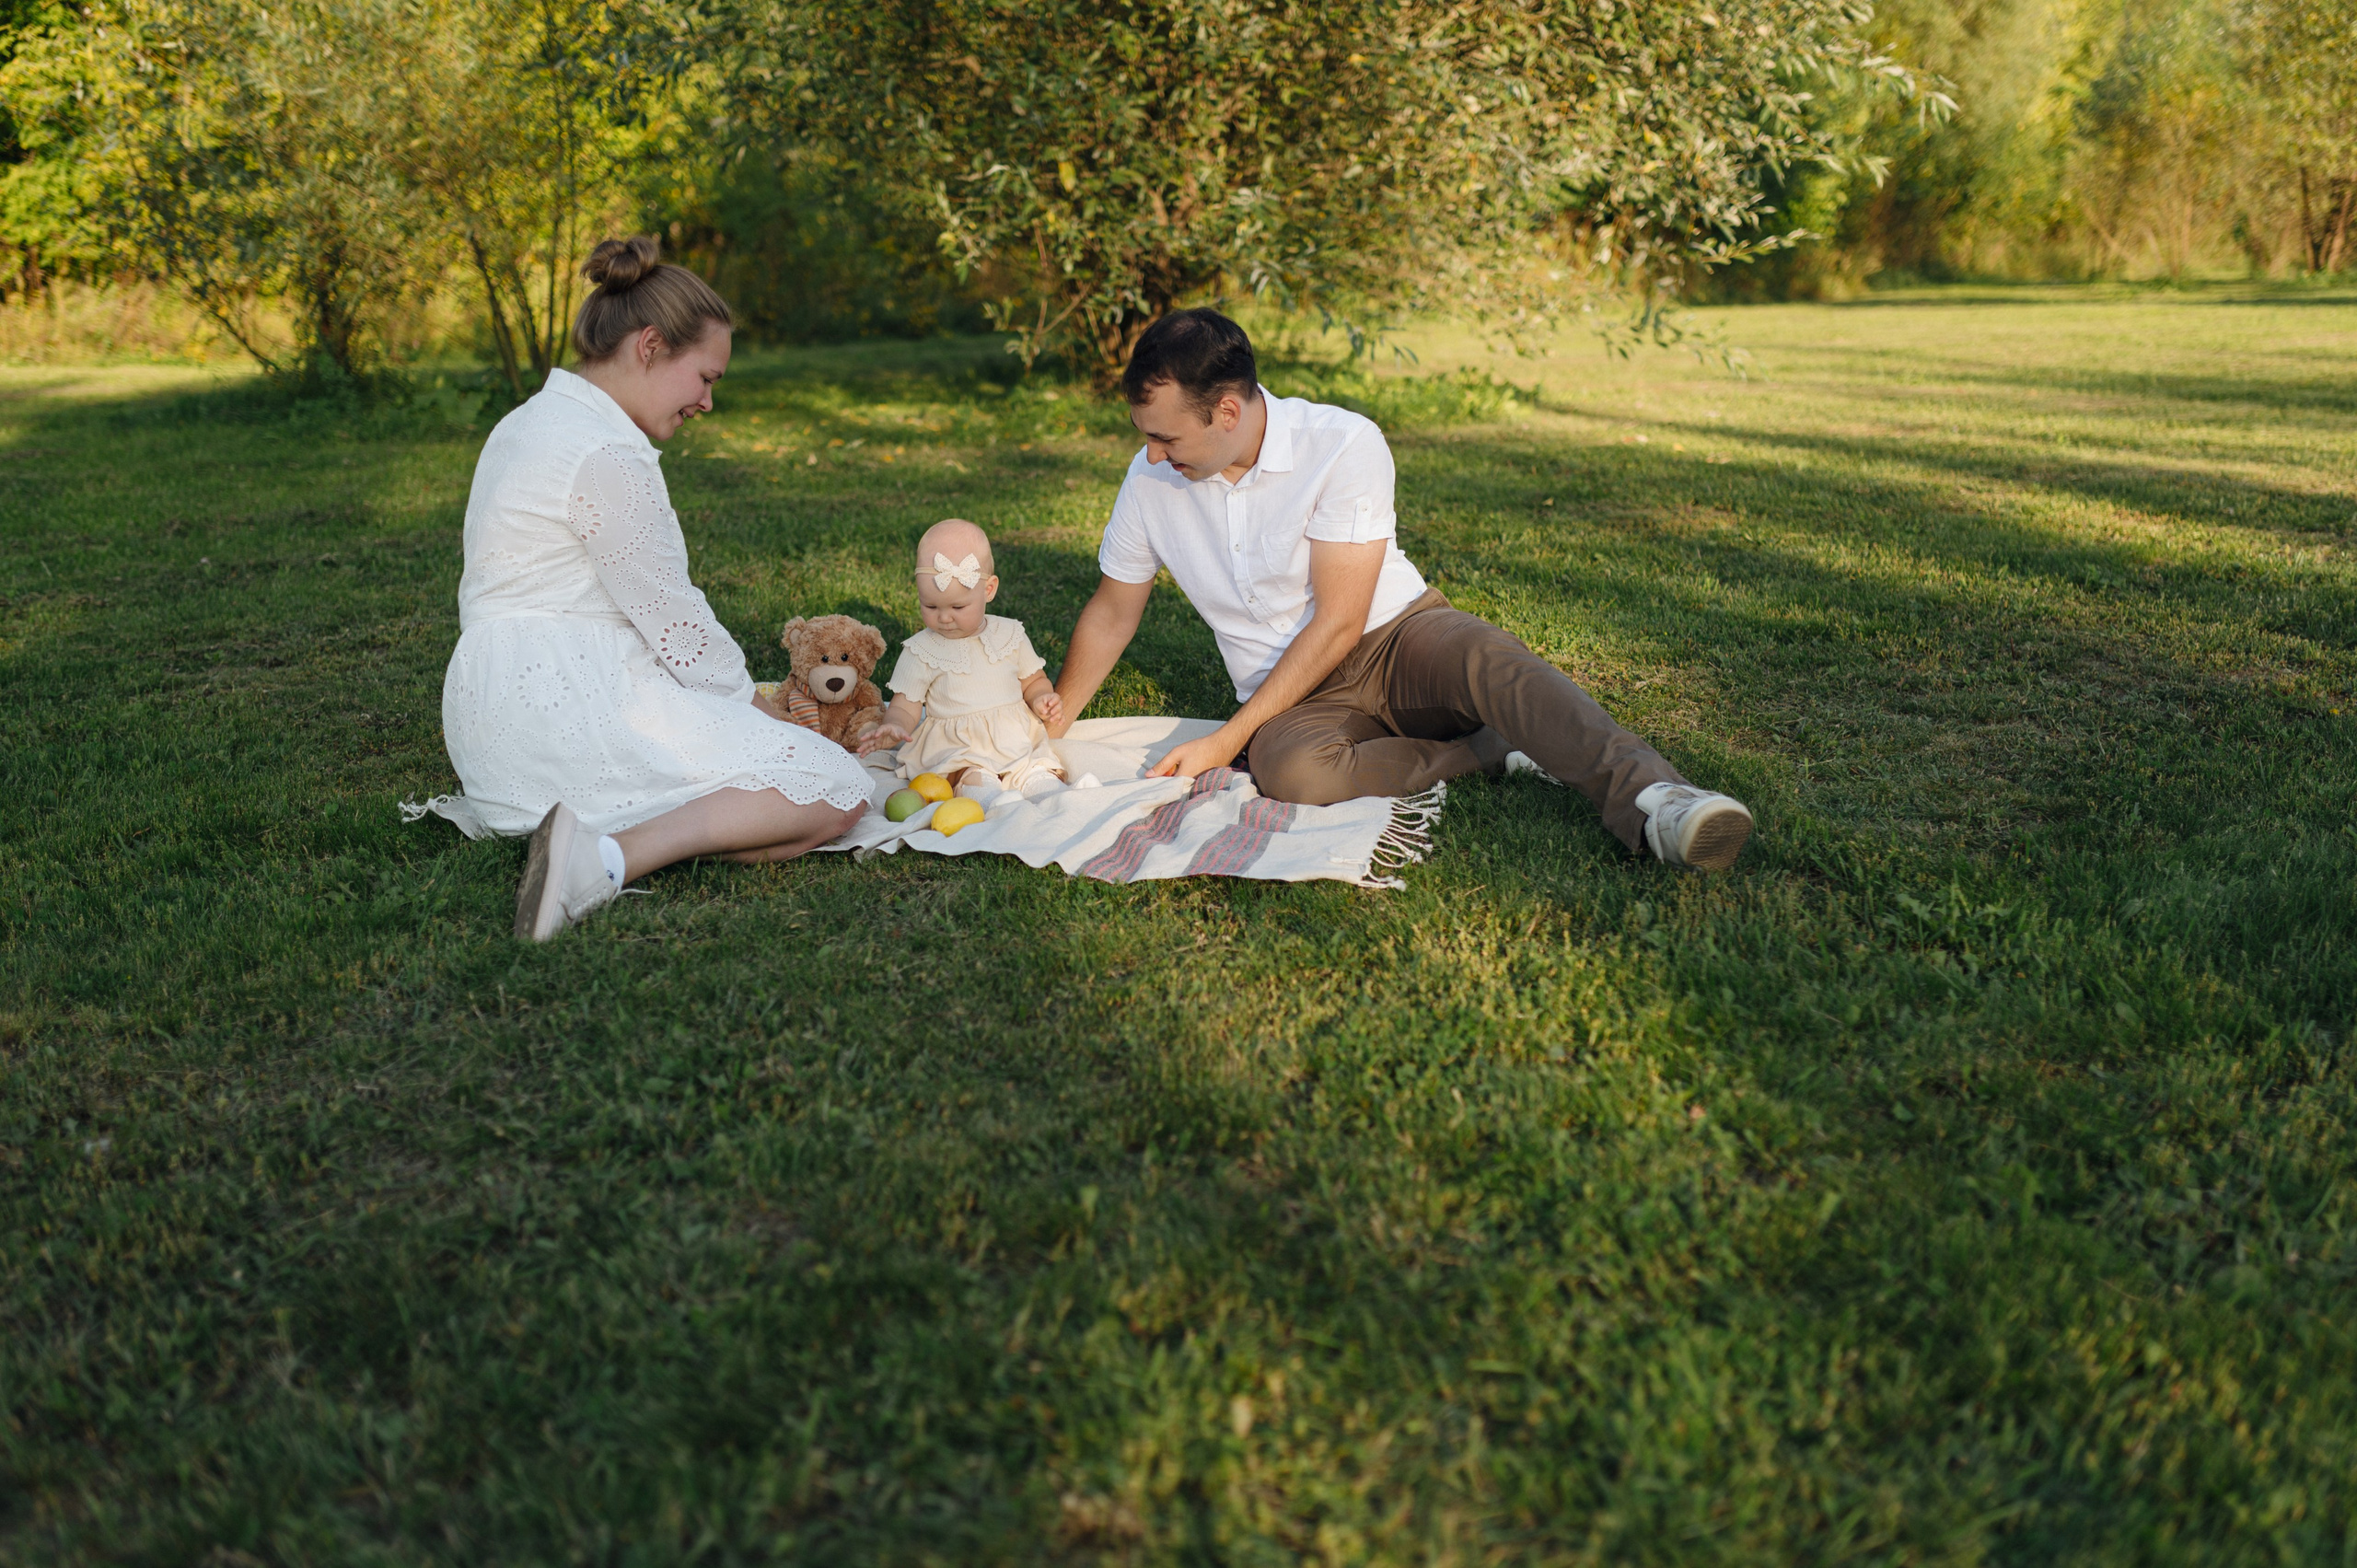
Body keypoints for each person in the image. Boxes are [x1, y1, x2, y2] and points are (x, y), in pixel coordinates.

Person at [1048, 308, 1754, 870]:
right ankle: (1493, 747)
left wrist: (1224, 741)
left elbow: (1342, 620)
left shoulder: (1342, 443)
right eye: (1146, 436)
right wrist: (1046, 730)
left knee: (1487, 658)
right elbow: (1112, 614)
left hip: (1398, 636)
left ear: (1226, 413)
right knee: (1292, 772)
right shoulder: (1150, 482)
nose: (1151, 454)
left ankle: (1658, 801)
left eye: (1166, 438)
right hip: (1295, 692)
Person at [412, 236, 870, 940]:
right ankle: (602, 860)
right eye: (706, 377)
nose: (709, 401)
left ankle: (600, 834)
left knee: (796, 791)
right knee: (836, 789)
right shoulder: (608, 453)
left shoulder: (527, 421)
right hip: (563, 699)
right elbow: (675, 623)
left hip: (489, 714)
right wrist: (765, 714)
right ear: (651, 346)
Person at [855, 518, 1068, 802]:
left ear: (988, 590)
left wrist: (1042, 697)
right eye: (930, 606)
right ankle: (984, 793)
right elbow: (906, 706)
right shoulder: (922, 649)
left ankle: (1039, 783)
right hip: (959, 746)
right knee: (975, 779)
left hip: (1014, 738)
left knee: (1038, 771)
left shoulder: (1010, 634)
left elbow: (1033, 680)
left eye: (958, 606)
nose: (944, 617)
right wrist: (895, 726)